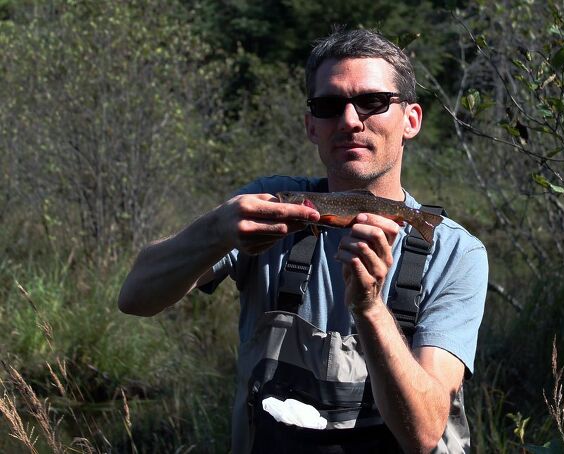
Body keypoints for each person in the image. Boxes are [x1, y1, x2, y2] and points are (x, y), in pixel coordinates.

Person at [118, 28, 488, 453]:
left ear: (411, 120)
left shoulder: (456, 253)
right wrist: (217, 231)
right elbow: (135, 298)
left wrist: (369, 308)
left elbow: (424, 435)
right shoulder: (267, 206)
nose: (350, 120)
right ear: (311, 125)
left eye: (372, 102)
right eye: (329, 105)